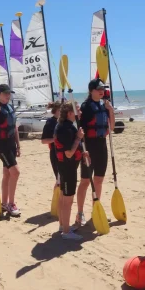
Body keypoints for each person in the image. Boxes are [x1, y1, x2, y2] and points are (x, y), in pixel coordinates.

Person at [76, 79, 115, 225]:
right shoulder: (86, 107)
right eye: (99, 89)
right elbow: (80, 130)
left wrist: (110, 110)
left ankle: (95, 210)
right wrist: (82, 149)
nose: (102, 91)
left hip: (101, 146)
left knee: (99, 180)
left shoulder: (104, 105)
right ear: (91, 90)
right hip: (88, 147)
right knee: (85, 181)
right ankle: (79, 213)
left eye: (103, 89)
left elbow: (111, 127)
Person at [54, 102, 88, 240]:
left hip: (67, 167)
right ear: (69, 113)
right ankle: (66, 232)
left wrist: (82, 153)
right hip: (67, 168)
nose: (80, 112)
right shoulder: (65, 129)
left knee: (64, 196)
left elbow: (73, 148)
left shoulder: (67, 127)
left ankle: (63, 225)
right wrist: (79, 138)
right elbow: (68, 153)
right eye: (77, 110)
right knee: (67, 199)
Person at [0, 84, 21, 217]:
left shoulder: (10, 107)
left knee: (7, 174)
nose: (8, 95)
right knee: (16, 173)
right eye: (5, 93)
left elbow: (15, 127)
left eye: (9, 93)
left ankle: (4, 203)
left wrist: (18, 145)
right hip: (2, 146)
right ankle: (11, 204)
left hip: (11, 145)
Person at [41, 101, 62, 182]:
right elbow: (43, 141)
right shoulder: (50, 122)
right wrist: (55, 139)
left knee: (64, 179)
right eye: (62, 110)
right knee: (59, 180)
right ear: (57, 110)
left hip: (66, 153)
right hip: (55, 153)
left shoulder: (65, 121)